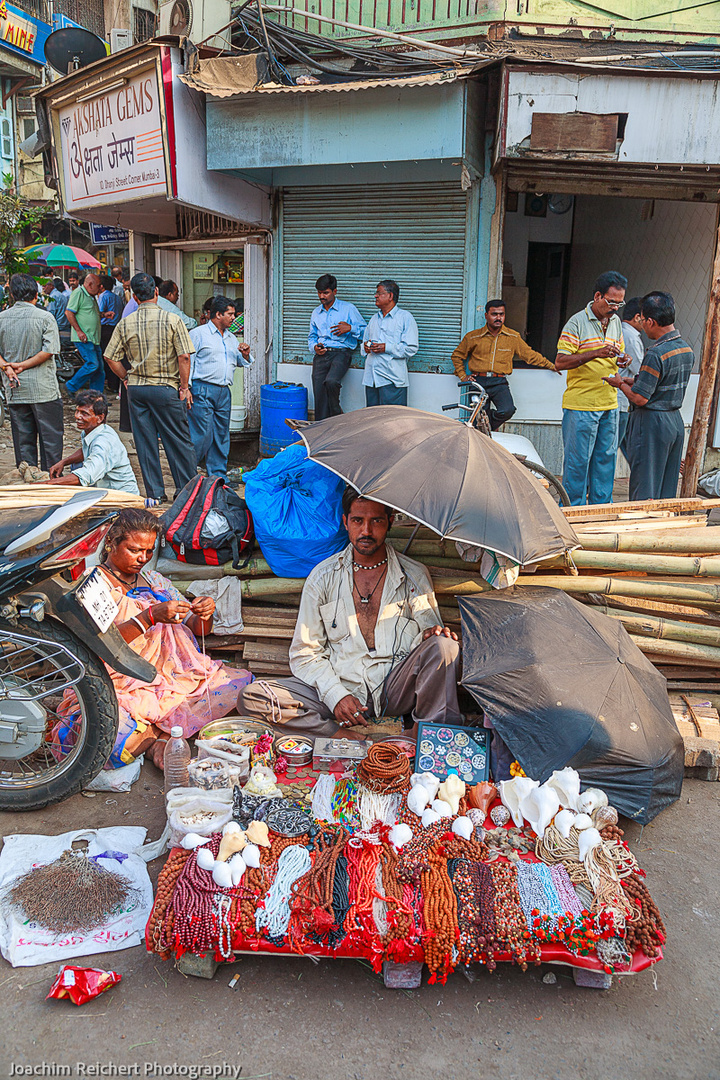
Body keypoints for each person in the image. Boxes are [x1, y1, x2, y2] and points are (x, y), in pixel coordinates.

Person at [239, 488, 461, 738]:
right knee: (253, 697)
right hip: (340, 691)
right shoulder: (323, 577)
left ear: (390, 522)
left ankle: (423, 736)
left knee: (445, 646)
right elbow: (305, 652)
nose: (366, 531)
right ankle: (337, 735)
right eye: (358, 520)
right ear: (345, 522)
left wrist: (429, 637)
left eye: (376, 521)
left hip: (395, 690)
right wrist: (336, 695)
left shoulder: (414, 575)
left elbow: (428, 646)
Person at [53, 509, 253, 768]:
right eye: (135, 550)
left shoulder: (154, 580)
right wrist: (149, 616)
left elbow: (198, 629)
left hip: (175, 678)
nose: (142, 558)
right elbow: (95, 643)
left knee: (240, 692)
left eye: (148, 551)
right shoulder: (93, 584)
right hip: (121, 681)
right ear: (111, 543)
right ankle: (162, 735)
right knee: (100, 741)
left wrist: (204, 612)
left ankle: (155, 735)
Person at [104, 272, 198, 502]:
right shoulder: (172, 320)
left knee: (145, 444)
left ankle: (156, 494)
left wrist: (126, 378)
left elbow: (110, 357)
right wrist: (184, 388)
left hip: (137, 389)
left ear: (135, 297)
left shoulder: (126, 323)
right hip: (166, 388)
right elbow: (184, 357)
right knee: (178, 441)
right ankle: (186, 493)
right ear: (156, 293)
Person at [605, 292, 694, 501]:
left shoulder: (656, 353)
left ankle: (641, 526)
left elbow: (639, 398)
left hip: (652, 423)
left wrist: (620, 384)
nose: (642, 325)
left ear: (652, 322)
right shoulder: (685, 349)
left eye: (643, 320)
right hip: (674, 422)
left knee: (645, 486)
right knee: (666, 486)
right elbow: (660, 384)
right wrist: (634, 382)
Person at [555, 270, 629, 506]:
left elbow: (615, 357)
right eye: (611, 302)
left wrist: (621, 360)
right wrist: (595, 352)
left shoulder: (616, 322)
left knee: (605, 461)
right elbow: (560, 362)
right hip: (581, 405)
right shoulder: (576, 322)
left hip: (610, 402)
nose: (616, 307)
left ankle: (601, 510)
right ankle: (572, 512)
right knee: (578, 463)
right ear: (597, 296)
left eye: (620, 303)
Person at [451, 299, 557, 430]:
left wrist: (551, 365)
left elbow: (529, 355)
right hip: (478, 381)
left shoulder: (513, 337)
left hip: (499, 382)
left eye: (501, 314)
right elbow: (457, 356)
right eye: (494, 314)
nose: (498, 318)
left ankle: (487, 424)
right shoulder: (473, 337)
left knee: (507, 410)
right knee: (477, 417)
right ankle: (482, 434)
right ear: (486, 315)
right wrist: (463, 376)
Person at [0, 273, 63, 471]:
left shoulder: (2, 318)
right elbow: (49, 351)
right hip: (43, 389)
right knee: (51, 441)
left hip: (15, 388)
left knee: (23, 441)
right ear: (35, 295)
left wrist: (7, 367)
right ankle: (50, 483)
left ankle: (28, 482)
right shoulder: (45, 317)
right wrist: (23, 365)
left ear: (12, 295)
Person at [188, 296, 254, 479]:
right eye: (230, 314)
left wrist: (246, 355)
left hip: (224, 391)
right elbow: (189, 362)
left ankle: (217, 476)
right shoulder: (198, 334)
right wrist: (186, 388)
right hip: (202, 389)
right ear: (218, 314)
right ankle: (188, 472)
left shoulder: (231, 338)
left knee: (221, 434)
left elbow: (240, 362)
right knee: (201, 434)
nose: (234, 318)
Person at [47, 390, 140, 494]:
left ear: (100, 418)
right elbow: (87, 449)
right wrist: (64, 462)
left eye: (84, 413)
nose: (77, 416)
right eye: (77, 411)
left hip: (121, 497)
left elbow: (87, 475)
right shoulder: (93, 430)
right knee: (76, 466)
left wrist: (46, 485)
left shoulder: (103, 442)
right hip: (105, 491)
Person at [308, 273, 366, 420]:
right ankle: (322, 425)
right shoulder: (316, 313)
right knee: (319, 392)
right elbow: (312, 337)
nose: (322, 296)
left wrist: (350, 328)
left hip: (341, 354)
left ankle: (335, 413)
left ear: (335, 291)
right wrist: (315, 347)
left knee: (331, 381)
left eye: (326, 292)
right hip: (321, 355)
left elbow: (366, 331)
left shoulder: (348, 309)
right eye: (320, 293)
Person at [361, 280, 419, 407]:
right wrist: (366, 347)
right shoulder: (374, 319)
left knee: (393, 421)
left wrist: (385, 347)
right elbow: (364, 342)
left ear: (390, 296)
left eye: (379, 293)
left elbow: (411, 348)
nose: (375, 296)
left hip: (392, 379)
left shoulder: (405, 317)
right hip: (372, 379)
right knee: (371, 420)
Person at [65, 271, 104, 395]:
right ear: (91, 284)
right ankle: (71, 386)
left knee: (99, 370)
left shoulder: (91, 296)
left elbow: (89, 313)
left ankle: (96, 397)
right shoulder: (78, 293)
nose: (100, 288)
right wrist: (79, 331)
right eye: (98, 286)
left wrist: (104, 315)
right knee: (93, 364)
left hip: (93, 338)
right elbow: (69, 313)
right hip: (84, 337)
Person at [617, 297, 645, 462]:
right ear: (636, 317)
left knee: (626, 445)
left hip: (623, 400)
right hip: (622, 399)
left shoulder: (621, 331)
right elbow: (639, 370)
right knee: (615, 446)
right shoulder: (630, 336)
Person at [98, 275, 124, 394]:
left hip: (106, 329)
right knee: (116, 356)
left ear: (101, 286)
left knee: (107, 357)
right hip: (116, 328)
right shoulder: (117, 297)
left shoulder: (103, 296)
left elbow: (99, 312)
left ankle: (110, 383)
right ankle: (115, 384)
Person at [43, 278, 70, 347]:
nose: (43, 288)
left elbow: (50, 314)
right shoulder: (60, 294)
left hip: (59, 326)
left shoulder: (53, 296)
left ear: (51, 286)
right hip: (65, 325)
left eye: (45, 286)